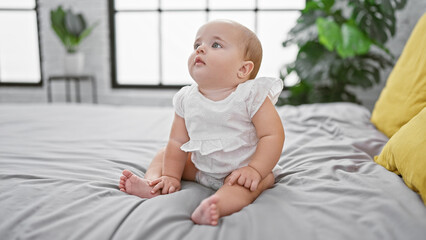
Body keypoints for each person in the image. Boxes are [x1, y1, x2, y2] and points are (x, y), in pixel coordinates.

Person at [118, 19, 285, 226]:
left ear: (243, 70)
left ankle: (216, 205)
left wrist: (255, 169)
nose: (201, 49)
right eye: (197, 45)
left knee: (254, 184)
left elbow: (272, 135)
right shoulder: (186, 98)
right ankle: (153, 183)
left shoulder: (251, 95)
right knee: (164, 154)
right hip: (201, 167)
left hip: (240, 170)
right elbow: (177, 141)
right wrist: (171, 175)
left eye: (215, 45)